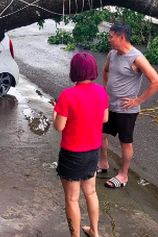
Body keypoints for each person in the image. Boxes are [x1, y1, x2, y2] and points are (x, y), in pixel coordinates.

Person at [98, 23, 158, 189]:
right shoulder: (112, 54)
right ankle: (103, 163)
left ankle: (123, 175)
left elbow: (157, 82)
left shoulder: (137, 58)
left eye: (111, 36)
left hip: (126, 110)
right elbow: (105, 71)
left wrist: (137, 100)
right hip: (109, 105)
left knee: (124, 142)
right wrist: (104, 91)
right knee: (100, 135)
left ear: (121, 38)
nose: (109, 39)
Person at [53, 52, 109, 237]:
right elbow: (105, 118)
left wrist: (55, 113)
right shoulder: (101, 91)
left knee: (72, 198)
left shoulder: (67, 95)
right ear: (93, 70)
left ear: (73, 71)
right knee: (91, 192)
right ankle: (94, 232)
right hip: (93, 151)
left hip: (72, 154)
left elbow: (59, 126)